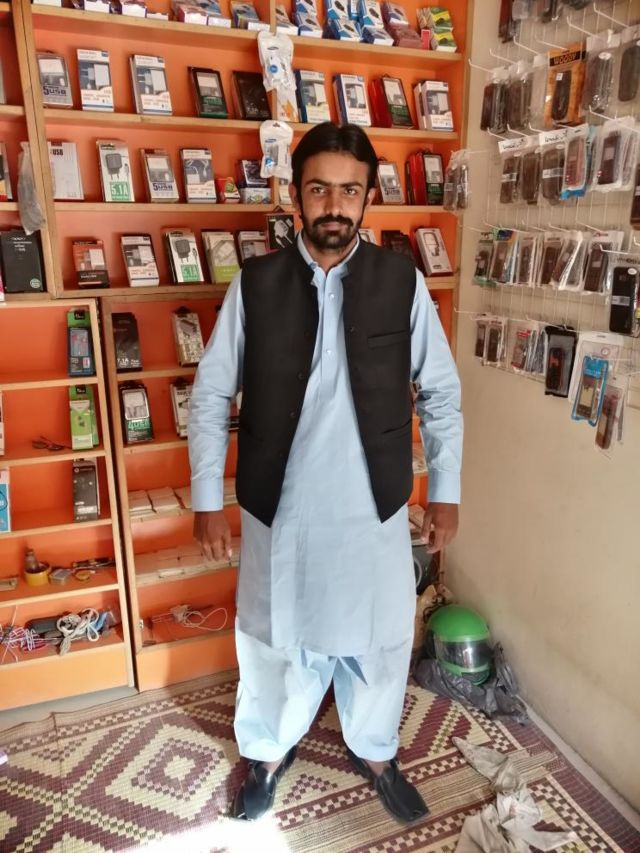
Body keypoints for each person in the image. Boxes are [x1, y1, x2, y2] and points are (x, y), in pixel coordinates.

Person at [188, 122, 463, 824]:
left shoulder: (401, 282)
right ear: (295, 196)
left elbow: (440, 391)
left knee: (380, 638)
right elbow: (212, 393)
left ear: (369, 197)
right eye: (319, 189)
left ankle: (375, 750)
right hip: (280, 505)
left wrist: (447, 491)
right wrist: (206, 498)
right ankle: (267, 750)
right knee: (273, 640)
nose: (334, 205)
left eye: (349, 190)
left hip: (373, 506)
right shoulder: (256, 284)